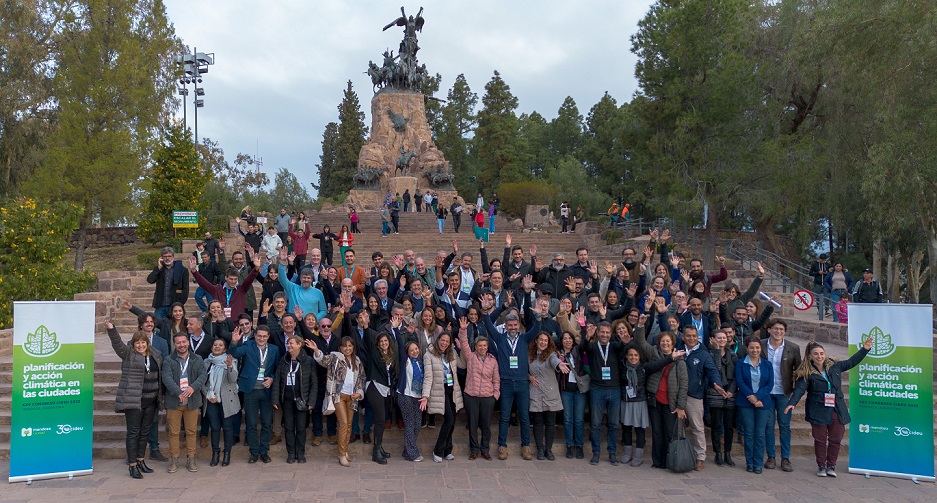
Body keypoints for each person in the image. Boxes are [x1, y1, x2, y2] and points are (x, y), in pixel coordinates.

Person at [785, 337, 872, 477]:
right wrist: (792, 403)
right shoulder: (807, 373)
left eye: (821, 353)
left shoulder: (835, 367)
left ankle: (831, 465)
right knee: (820, 440)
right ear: (810, 356)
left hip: (836, 408)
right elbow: (800, 390)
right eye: (816, 354)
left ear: (825, 354)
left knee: (836, 438)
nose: (819, 356)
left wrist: (865, 349)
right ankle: (821, 466)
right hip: (818, 410)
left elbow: (852, 362)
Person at [105, 320, 162, 479]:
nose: (140, 345)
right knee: (133, 433)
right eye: (137, 342)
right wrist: (112, 329)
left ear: (147, 343)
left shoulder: (156, 354)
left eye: (143, 342)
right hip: (134, 401)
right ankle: (132, 465)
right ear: (133, 344)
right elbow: (118, 344)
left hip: (151, 401)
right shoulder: (128, 354)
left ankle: (140, 460)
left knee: (144, 433)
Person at [310, 336, 366, 467]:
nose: (347, 348)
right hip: (338, 395)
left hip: (352, 397)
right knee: (343, 423)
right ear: (340, 348)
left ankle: (345, 450)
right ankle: (341, 454)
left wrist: (359, 392)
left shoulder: (357, 361)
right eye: (344, 346)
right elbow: (323, 360)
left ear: (353, 347)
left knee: (349, 425)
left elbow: (362, 378)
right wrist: (316, 350)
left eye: (350, 345)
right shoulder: (335, 357)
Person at [227, 325, 279, 464]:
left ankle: (264, 451)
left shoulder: (274, 349)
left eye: (264, 336)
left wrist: (272, 378)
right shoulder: (248, 345)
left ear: (268, 337)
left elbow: (277, 368)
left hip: (267, 390)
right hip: (250, 390)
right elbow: (234, 353)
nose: (261, 338)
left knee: (267, 423)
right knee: (251, 423)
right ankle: (254, 452)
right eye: (259, 336)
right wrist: (233, 342)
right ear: (254, 335)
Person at [638, 331, 687, 469]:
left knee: (669, 432)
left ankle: (668, 460)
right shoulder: (655, 356)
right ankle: (657, 461)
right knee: (657, 432)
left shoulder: (680, 362)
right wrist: (641, 326)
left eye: (668, 341)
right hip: (655, 399)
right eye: (662, 341)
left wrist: (681, 406)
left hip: (671, 403)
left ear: (673, 343)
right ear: (659, 343)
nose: (665, 343)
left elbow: (683, 386)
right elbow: (641, 341)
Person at [161, 332, 207, 474]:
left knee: (191, 431)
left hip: (192, 400)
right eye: (178, 343)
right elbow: (166, 377)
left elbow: (203, 375)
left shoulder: (197, 359)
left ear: (188, 342)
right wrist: (178, 392)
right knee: (174, 432)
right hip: (174, 401)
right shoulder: (169, 360)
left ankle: (191, 459)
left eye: (183, 342)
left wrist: (193, 387)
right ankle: (174, 459)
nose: (181, 345)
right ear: (174, 344)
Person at [681, 326, 724, 470]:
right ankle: (677, 454)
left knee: (697, 427)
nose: (691, 338)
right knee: (674, 427)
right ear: (683, 337)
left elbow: (712, 370)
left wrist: (716, 383)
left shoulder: (703, 354)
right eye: (688, 336)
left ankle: (700, 457)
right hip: (676, 395)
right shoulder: (678, 351)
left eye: (694, 336)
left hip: (694, 395)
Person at [761, 319, 801, 472]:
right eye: (775, 329)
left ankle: (785, 458)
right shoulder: (762, 345)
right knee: (769, 425)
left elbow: (798, 373)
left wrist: (795, 394)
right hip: (767, 393)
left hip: (784, 392)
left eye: (781, 329)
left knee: (785, 425)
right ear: (769, 330)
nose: (778, 332)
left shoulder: (793, 348)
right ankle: (771, 456)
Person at [456, 318, 499, 460]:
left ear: (487, 347)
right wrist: (463, 330)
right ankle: (474, 450)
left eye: (484, 346)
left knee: (486, 426)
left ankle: (485, 449)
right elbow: (463, 344)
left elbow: (496, 379)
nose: (482, 348)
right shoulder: (470, 357)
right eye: (479, 345)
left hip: (488, 397)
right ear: (476, 347)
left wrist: (495, 395)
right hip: (472, 395)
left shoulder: (493, 360)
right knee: (473, 425)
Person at [271, 335, 317, 464]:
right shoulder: (283, 360)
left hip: (302, 400)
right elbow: (278, 380)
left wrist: (311, 401)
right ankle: (291, 453)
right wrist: (275, 399)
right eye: (288, 343)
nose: (289, 345)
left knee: (301, 428)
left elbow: (314, 382)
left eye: (291, 343)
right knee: (289, 427)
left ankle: (300, 453)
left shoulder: (308, 360)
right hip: (287, 400)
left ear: (299, 344)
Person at [421, 332, 464, 462]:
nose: (444, 343)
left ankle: (447, 450)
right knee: (449, 420)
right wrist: (425, 396)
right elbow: (428, 377)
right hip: (440, 390)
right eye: (442, 340)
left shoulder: (452, 353)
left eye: (447, 341)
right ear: (438, 340)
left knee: (453, 420)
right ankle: (438, 450)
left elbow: (463, 364)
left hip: (453, 389)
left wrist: (462, 349)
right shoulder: (429, 355)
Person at [527, 332, 570, 460]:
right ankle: (540, 449)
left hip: (550, 393)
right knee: (538, 422)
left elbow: (554, 361)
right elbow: (523, 370)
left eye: (545, 340)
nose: (543, 342)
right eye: (541, 340)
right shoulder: (529, 355)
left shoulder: (551, 354)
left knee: (550, 422)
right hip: (536, 392)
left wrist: (559, 364)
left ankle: (549, 450)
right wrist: (529, 377)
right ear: (536, 341)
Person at [736, 336, 773, 474]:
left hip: (763, 402)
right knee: (749, 433)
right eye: (752, 347)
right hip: (745, 402)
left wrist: (757, 397)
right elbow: (740, 382)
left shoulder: (767, 364)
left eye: (757, 347)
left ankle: (758, 463)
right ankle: (749, 462)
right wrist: (751, 397)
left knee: (760, 434)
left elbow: (770, 384)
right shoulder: (741, 363)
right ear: (747, 348)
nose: (755, 350)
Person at [361, 332, 397, 464]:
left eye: (386, 341)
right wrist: (366, 327)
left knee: (381, 420)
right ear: (377, 343)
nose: (384, 343)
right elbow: (367, 340)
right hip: (374, 385)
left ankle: (379, 447)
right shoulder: (374, 352)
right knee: (380, 418)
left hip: (385, 388)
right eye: (381, 341)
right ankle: (376, 452)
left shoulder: (391, 355)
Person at [202, 338, 239, 467]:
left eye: (220, 345)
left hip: (226, 398)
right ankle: (215, 453)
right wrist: (207, 394)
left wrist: (229, 366)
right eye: (215, 345)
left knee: (227, 427)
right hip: (211, 399)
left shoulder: (231, 361)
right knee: (215, 427)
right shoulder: (207, 362)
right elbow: (202, 381)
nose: (217, 347)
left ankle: (227, 453)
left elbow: (233, 379)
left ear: (225, 348)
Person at [707, 330, 738, 466]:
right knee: (716, 425)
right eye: (719, 338)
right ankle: (718, 452)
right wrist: (716, 352)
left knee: (729, 426)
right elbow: (715, 370)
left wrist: (731, 390)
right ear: (713, 339)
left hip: (730, 393)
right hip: (715, 392)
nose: (721, 340)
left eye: (724, 338)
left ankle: (727, 453)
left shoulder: (733, 355)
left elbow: (737, 375)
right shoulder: (710, 354)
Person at [556, 331, 587, 459]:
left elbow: (585, 343)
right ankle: (569, 445)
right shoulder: (558, 354)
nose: (567, 341)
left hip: (579, 390)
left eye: (570, 338)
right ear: (561, 341)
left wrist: (583, 325)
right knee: (568, 419)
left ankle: (579, 446)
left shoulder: (578, 351)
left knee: (579, 419)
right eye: (565, 339)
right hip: (566, 390)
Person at [147, 246, 189, 320]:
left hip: (174, 304)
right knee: (158, 327)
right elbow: (150, 280)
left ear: (173, 257)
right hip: (160, 304)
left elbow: (185, 288)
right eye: (165, 256)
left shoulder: (182, 270)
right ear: (162, 258)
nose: (167, 258)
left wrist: (181, 303)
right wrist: (158, 268)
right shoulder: (159, 269)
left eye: (169, 256)